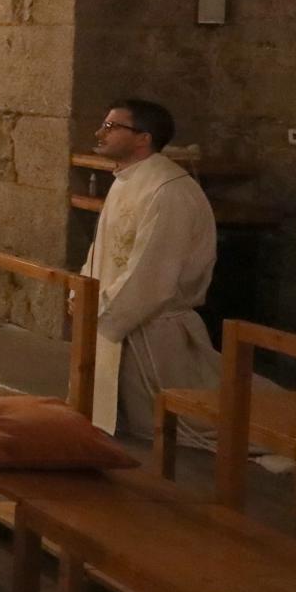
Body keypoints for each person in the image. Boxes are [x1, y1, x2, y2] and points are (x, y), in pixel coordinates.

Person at [81, 98, 220, 440]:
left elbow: (155, 272)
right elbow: (105, 246)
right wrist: (82, 289)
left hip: (152, 326)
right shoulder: (128, 179)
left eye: (112, 127)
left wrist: (101, 309)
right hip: (119, 311)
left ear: (143, 138)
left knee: (182, 423)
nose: (101, 133)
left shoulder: (167, 190)